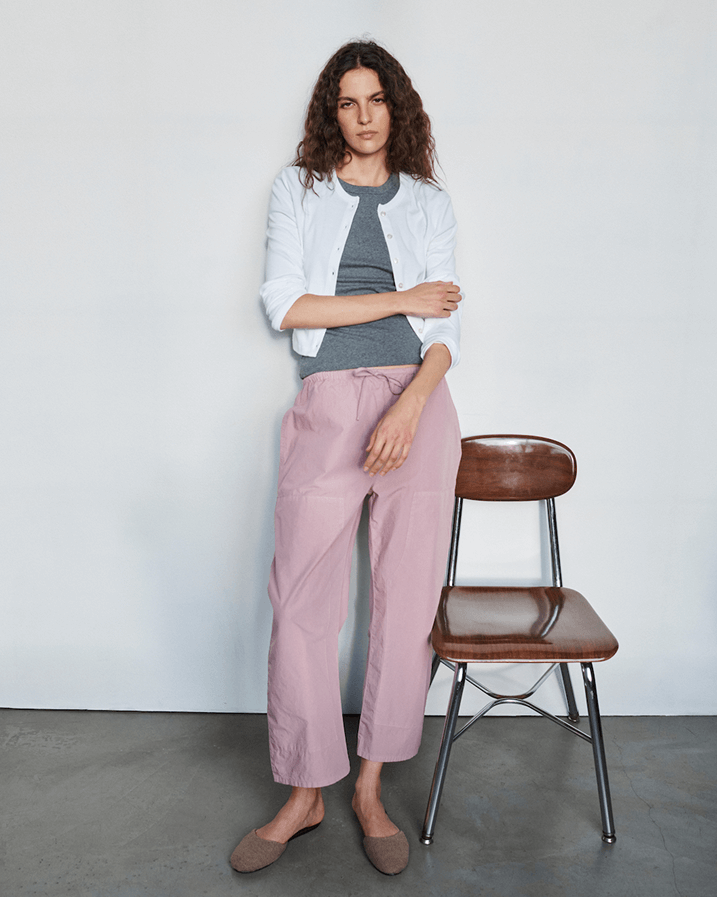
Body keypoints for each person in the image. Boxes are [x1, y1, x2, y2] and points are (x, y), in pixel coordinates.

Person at [231, 40, 463, 876]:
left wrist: (409, 404)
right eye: (347, 103)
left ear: (395, 108)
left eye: (376, 100)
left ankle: (368, 786)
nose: (363, 117)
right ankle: (303, 790)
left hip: (418, 404)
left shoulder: (429, 200)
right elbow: (286, 306)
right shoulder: (298, 190)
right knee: (301, 598)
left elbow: (446, 334)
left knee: (405, 602)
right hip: (328, 400)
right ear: (331, 113)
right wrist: (401, 297)